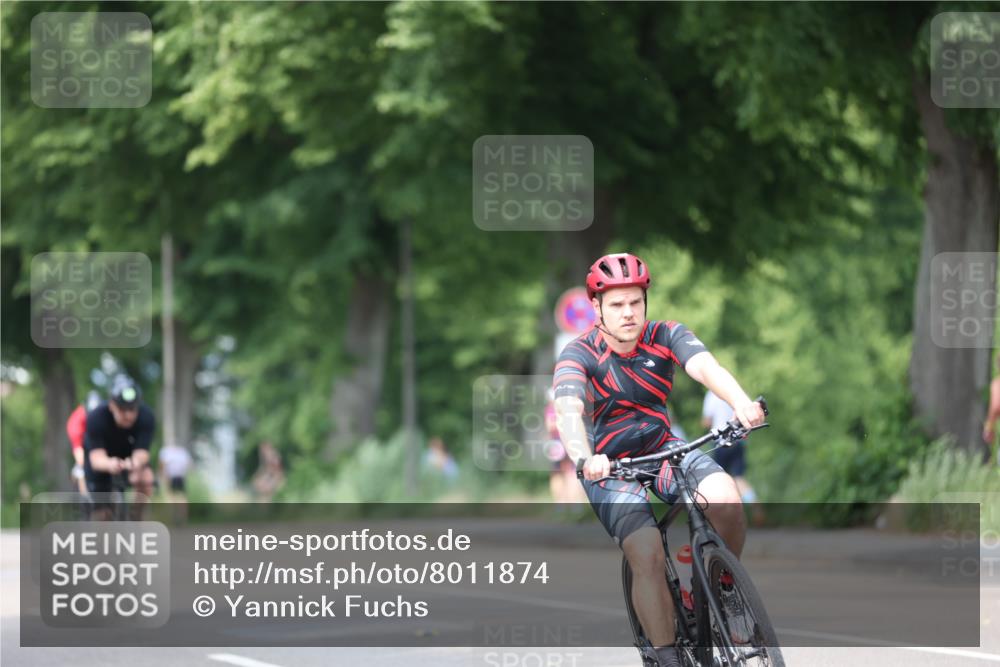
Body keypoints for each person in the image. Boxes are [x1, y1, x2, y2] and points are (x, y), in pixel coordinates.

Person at [553, 253, 766, 667]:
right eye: (616, 305)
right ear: (596, 308)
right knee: (647, 550)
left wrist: (741, 404)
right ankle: (666, 656)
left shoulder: (666, 335)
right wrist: (584, 457)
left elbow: (707, 368)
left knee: (725, 496)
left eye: (635, 302)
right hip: (610, 469)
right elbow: (567, 411)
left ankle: (723, 588)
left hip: (665, 451)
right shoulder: (579, 355)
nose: (628, 313)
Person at [84, 375, 155, 520]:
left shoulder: (146, 416)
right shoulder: (96, 417)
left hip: (129, 460)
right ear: (112, 405)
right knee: (101, 519)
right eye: (122, 409)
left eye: (132, 409)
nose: (128, 415)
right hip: (102, 463)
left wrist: (133, 463)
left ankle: (136, 519)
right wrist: (111, 464)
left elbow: (142, 453)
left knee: (146, 478)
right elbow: (97, 460)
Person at [66, 390, 101, 497]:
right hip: (85, 449)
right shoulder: (76, 421)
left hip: (101, 447)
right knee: (81, 471)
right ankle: (86, 500)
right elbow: (79, 455)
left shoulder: (105, 416)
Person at [158, 441, 193, 523]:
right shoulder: (183, 452)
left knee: (171, 497)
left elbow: (162, 465)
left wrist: (163, 476)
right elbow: (189, 464)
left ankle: (174, 517)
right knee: (182, 497)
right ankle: (182, 518)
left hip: (171, 477)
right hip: (180, 476)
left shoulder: (165, 452)